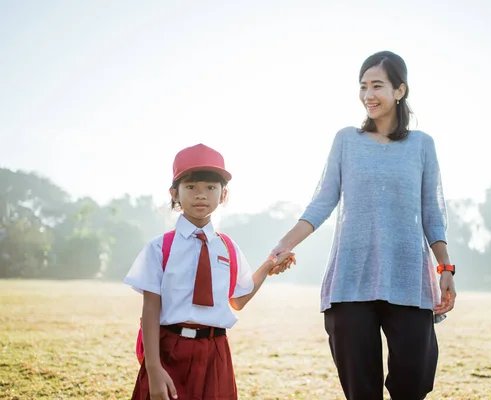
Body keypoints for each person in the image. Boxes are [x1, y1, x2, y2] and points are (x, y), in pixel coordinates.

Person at [269, 50, 457, 400]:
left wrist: (445, 267)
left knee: (415, 380)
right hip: (351, 281)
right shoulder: (346, 141)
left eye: (377, 86)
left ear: (400, 91)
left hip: (407, 279)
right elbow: (322, 202)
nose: (368, 95)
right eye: (363, 86)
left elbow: (432, 214)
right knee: (361, 390)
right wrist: (285, 243)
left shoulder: (422, 145)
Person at [123, 143, 294, 400]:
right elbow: (150, 309)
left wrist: (269, 265)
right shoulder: (160, 247)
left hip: (216, 351)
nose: (201, 195)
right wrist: (154, 368)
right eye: (191, 187)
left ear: (223, 195)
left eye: (210, 188)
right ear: (174, 194)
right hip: (170, 349)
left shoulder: (228, 247)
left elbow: (238, 299)